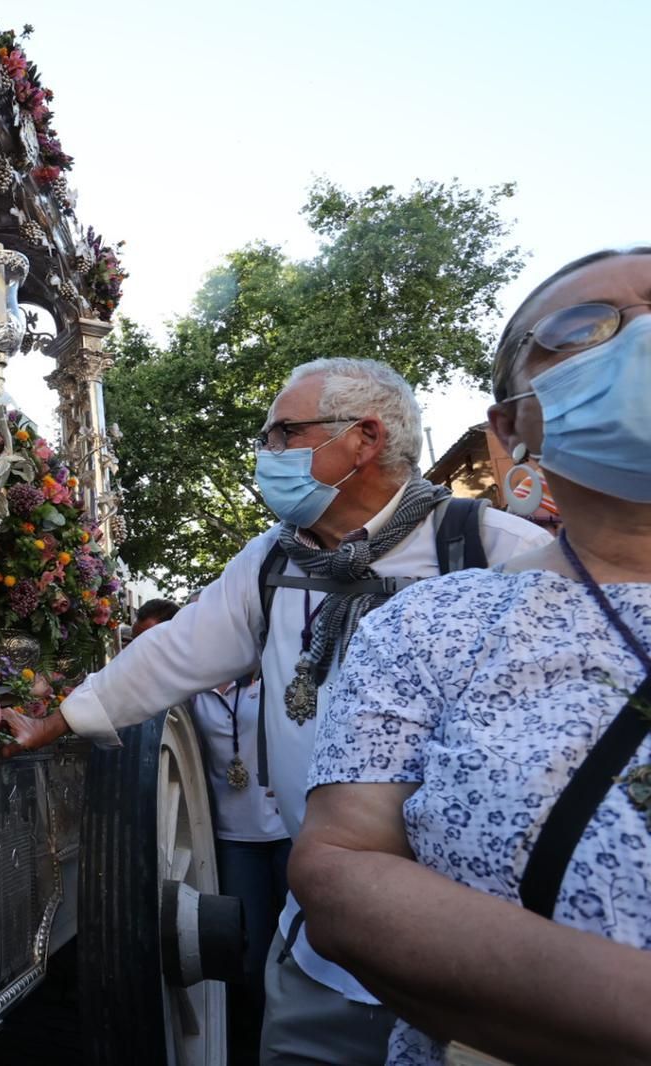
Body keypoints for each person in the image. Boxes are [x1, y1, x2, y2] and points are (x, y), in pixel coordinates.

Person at [7, 356, 551, 1065]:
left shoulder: (498, 552)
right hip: (323, 947)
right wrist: (57, 721)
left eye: (283, 434)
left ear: (363, 438)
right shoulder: (270, 563)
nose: (267, 456)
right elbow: (173, 653)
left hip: (483, 956)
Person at [292, 248, 651, 1066]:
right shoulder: (433, 625)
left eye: (289, 432)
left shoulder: (480, 536)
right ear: (510, 428)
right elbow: (342, 874)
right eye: (583, 329)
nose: (642, 339)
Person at [188, 671, 285, 1064]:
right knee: (252, 948)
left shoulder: (276, 676)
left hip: (286, 829)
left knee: (304, 938)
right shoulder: (195, 691)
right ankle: (263, 1041)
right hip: (234, 838)